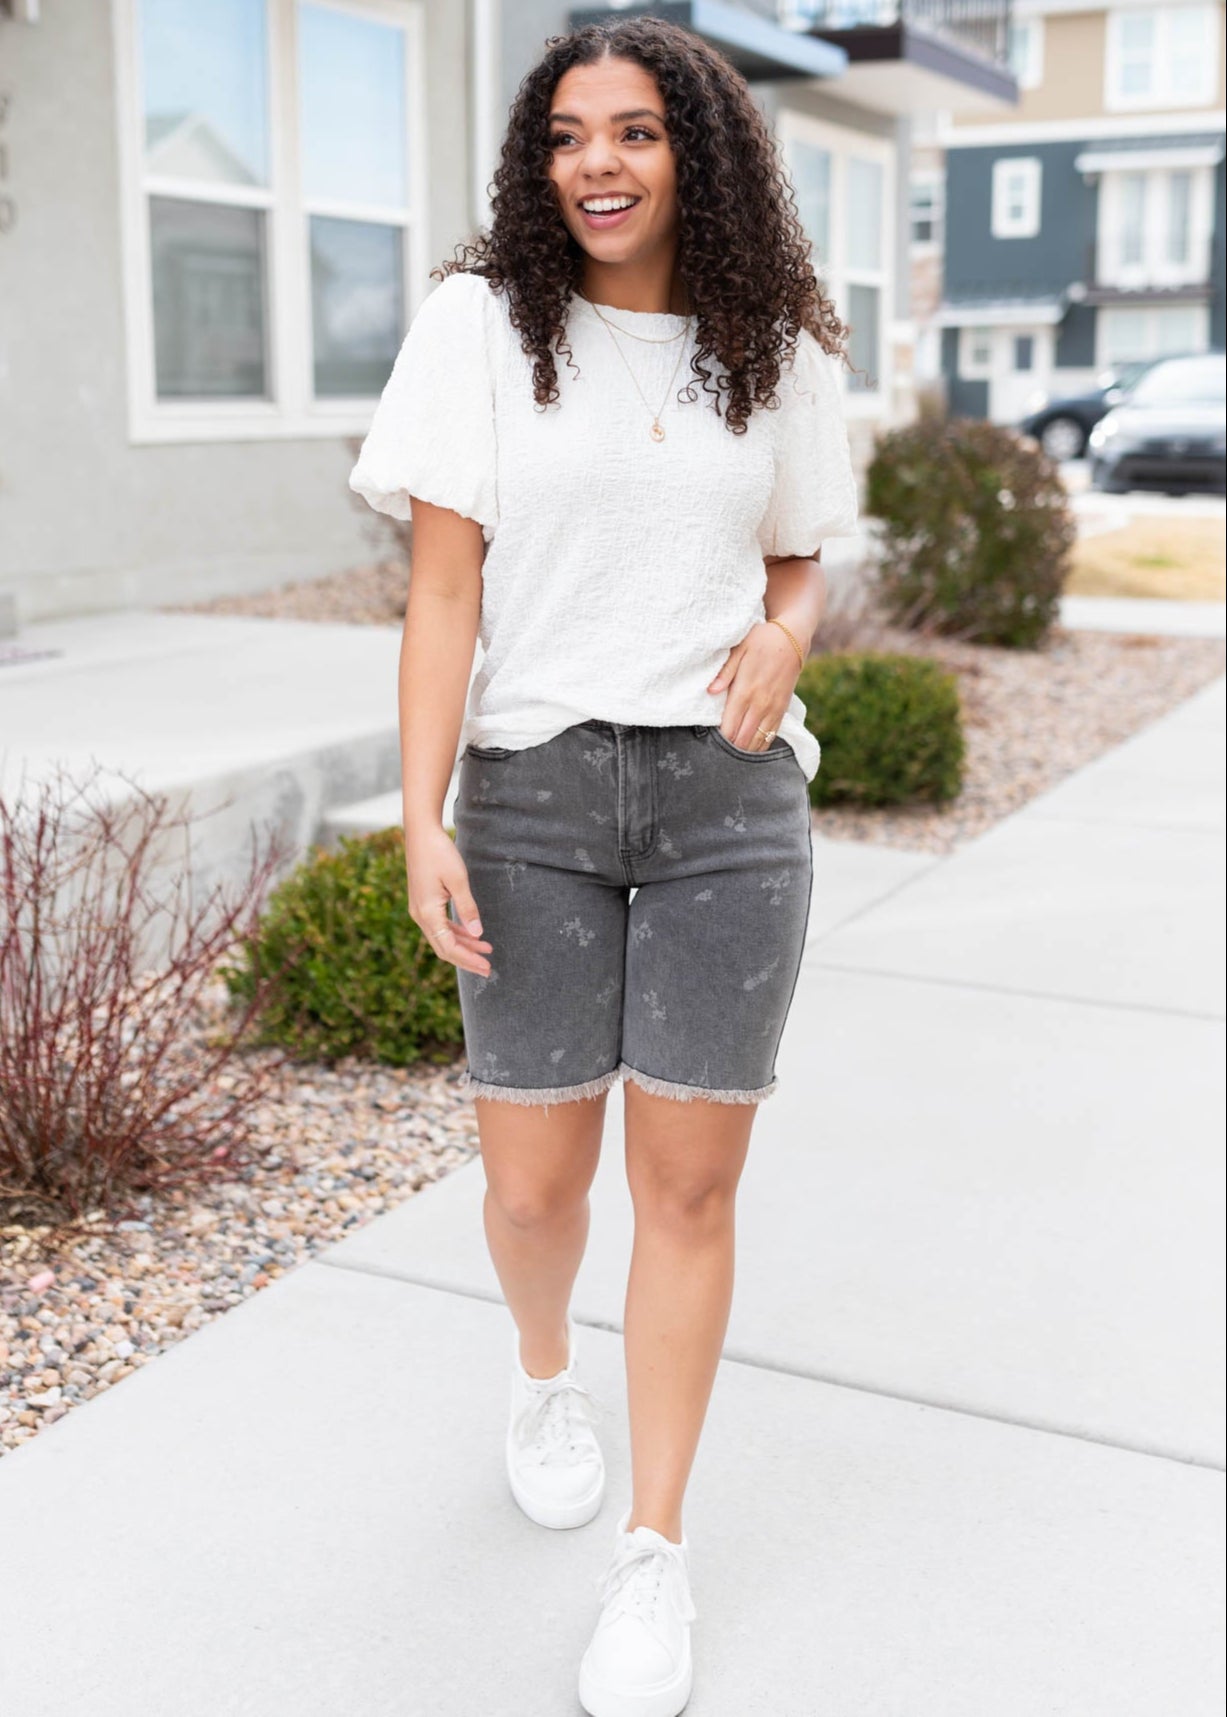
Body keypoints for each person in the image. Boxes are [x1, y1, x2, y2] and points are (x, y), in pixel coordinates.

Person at [348, 15, 858, 1716]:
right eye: (569, 134)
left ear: (693, 152)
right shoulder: (483, 325)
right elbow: (443, 595)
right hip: (532, 799)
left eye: (636, 132)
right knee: (532, 1192)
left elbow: (795, 567)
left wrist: (790, 638)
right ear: (536, 157)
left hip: (726, 804)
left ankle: (654, 1558)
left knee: (691, 1191)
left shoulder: (770, 343)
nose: (599, 164)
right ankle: (543, 1366)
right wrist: (418, 814)